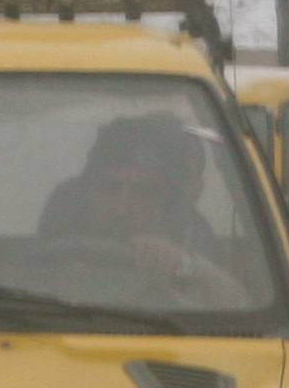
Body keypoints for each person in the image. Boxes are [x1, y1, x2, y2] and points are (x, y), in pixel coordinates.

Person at [37, 116, 251, 305]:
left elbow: (238, 305)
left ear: (166, 203)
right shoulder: (53, 246)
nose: (121, 207)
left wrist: (179, 265)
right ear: (89, 189)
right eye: (110, 188)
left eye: (142, 194)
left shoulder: (191, 248)